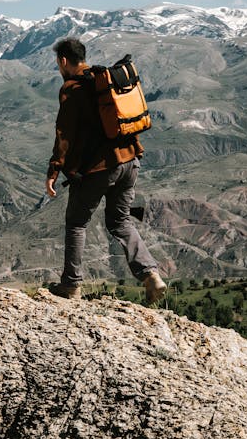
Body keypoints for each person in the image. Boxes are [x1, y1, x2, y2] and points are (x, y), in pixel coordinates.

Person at [45, 37, 167, 303]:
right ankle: (151, 275)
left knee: (76, 222)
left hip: (100, 168)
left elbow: (64, 134)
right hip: (130, 161)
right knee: (120, 220)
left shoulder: (72, 89)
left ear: (63, 61)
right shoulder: (104, 80)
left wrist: (54, 170)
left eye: (58, 64)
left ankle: (71, 285)